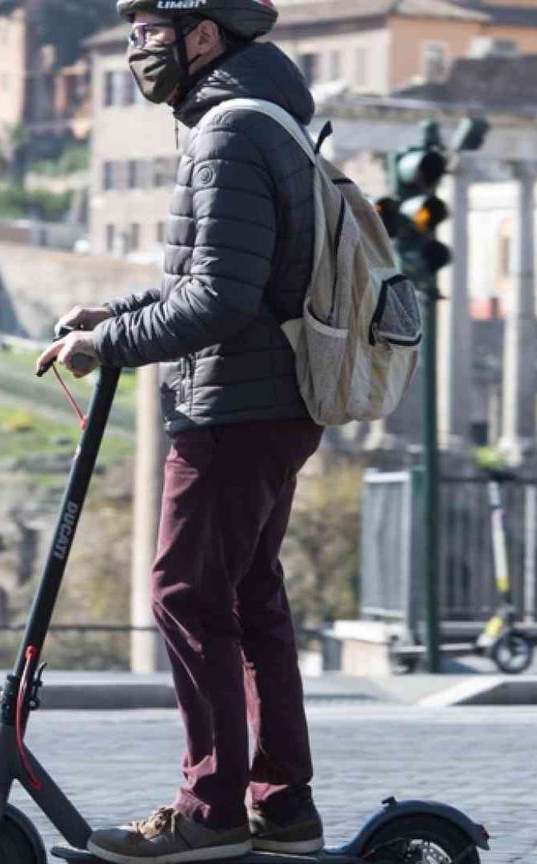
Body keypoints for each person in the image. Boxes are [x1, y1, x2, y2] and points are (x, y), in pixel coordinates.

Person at [35, 1, 326, 861]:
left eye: (151, 30)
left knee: (184, 596)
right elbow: (225, 273)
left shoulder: (228, 133)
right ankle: (283, 808)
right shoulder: (259, 119)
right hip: (271, 403)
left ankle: (212, 814)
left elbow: (221, 299)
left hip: (232, 408)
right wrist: (116, 310)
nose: (137, 48)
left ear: (204, 37)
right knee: (247, 600)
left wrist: (106, 344)